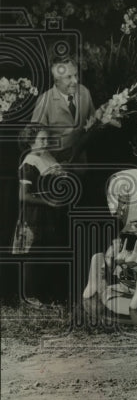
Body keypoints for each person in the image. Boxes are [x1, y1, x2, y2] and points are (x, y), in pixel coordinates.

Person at [13, 125, 70, 308]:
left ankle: (48, 296)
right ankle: (30, 297)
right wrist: (49, 202)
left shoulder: (47, 157)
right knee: (35, 255)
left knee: (50, 254)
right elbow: (24, 196)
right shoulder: (29, 162)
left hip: (52, 215)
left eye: (47, 139)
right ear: (31, 141)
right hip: (36, 216)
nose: (46, 143)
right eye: (41, 140)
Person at [29, 56, 96, 163]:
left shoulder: (84, 92)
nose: (75, 81)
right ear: (57, 81)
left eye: (76, 75)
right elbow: (36, 142)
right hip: (54, 162)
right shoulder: (44, 101)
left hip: (81, 160)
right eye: (68, 77)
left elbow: (93, 121)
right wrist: (52, 165)